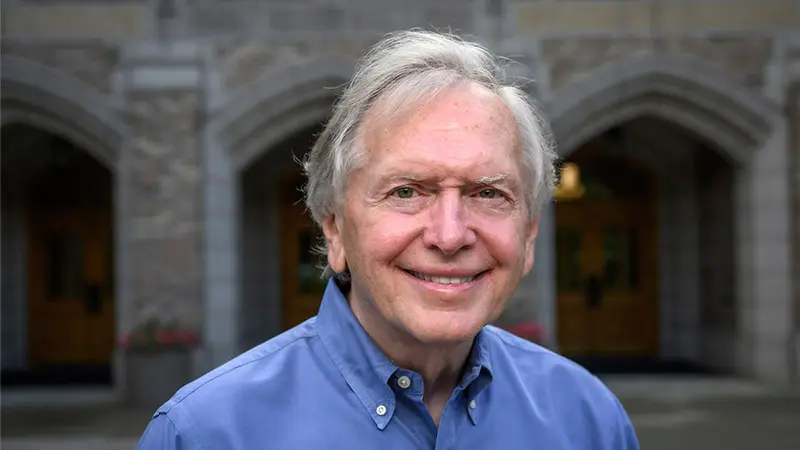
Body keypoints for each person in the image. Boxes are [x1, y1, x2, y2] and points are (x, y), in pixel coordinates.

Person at [136, 29, 639, 449]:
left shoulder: (587, 420)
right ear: (333, 227)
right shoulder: (206, 434)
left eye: (488, 193)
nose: (449, 235)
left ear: (528, 235)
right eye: (406, 191)